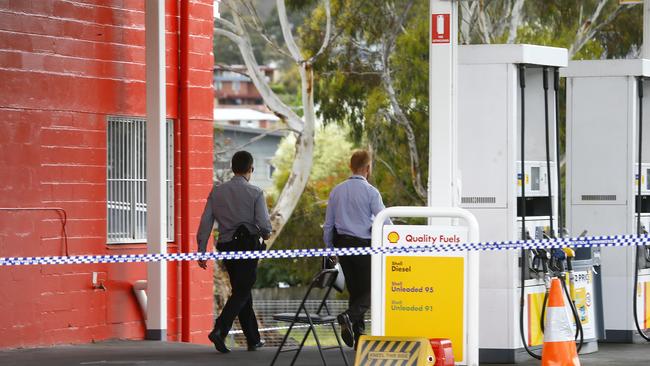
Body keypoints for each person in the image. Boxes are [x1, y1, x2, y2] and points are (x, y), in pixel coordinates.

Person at [196, 150, 272, 353]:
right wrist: (266, 234)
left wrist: (201, 248)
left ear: (232, 169)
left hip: (227, 248)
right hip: (248, 248)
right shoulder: (255, 192)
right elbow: (264, 225)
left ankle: (253, 339)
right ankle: (220, 329)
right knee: (242, 290)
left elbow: (206, 222)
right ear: (251, 169)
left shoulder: (217, 191)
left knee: (241, 289)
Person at [323, 149, 392, 348]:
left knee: (356, 291)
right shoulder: (371, 192)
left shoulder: (337, 190)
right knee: (376, 287)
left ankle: (359, 336)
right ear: (368, 168)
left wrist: (330, 250)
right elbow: (384, 220)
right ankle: (349, 317)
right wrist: (397, 239)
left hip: (343, 247)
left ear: (350, 167)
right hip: (364, 247)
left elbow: (328, 225)